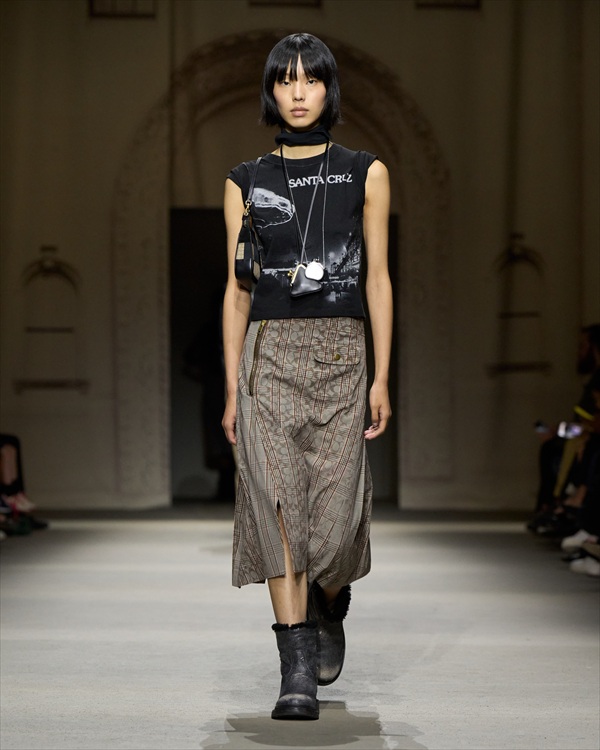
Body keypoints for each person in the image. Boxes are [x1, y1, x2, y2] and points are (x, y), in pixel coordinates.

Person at [221, 33, 392, 721]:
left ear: (329, 89)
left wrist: (382, 375)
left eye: (310, 80)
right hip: (267, 356)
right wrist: (232, 385)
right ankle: (295, 670)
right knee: (278, 509)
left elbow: (378, 278)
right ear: (270, 91)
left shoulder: (364, 172)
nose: (297, 92)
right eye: (285, 80)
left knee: (336, 525)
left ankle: (331, 597)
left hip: (343, 356)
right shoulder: (245, 180)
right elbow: (236, 289)